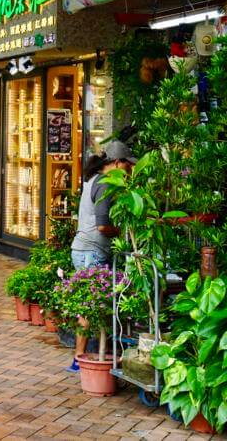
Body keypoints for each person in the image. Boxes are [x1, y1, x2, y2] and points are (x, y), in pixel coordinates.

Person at [67, 139, 136, 371]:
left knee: (90, 305)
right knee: (91, 307)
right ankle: (79, 358)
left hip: (83, 248)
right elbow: (103, 225)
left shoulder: (92, 179)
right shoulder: (106, 183)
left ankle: (83, 357)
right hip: (91, 250)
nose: (130, 170)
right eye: (128, 165)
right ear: (117, 163)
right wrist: (124, 231)